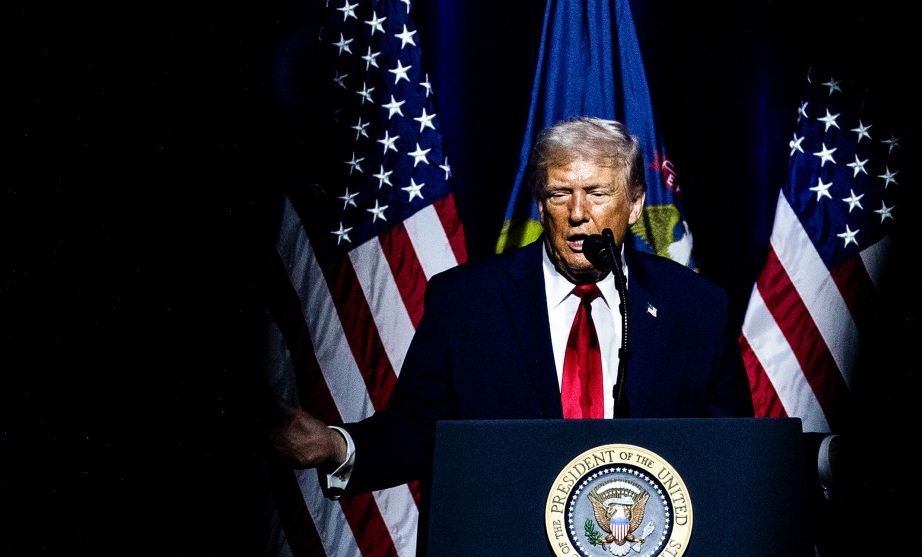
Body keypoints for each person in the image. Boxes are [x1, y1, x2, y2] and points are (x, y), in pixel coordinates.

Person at [270, 115, 755, 496]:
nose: (579, 213)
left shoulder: (696, 309)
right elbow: (418, 429)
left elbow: (734, 453)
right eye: (560, 193)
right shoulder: (467, 302)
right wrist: (336, 445)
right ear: (541, 206)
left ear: (634, 203)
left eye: (597, 193)